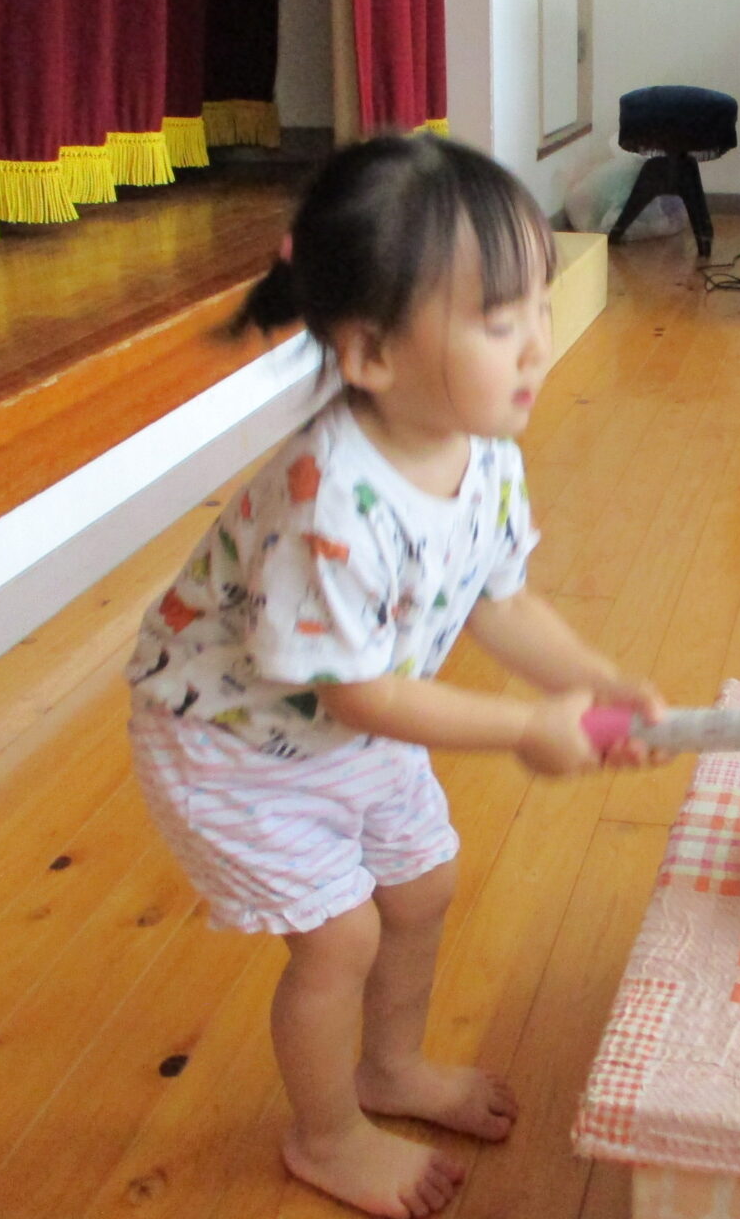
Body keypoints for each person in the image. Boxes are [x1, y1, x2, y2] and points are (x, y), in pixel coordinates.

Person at [125, 134, 667, 1218]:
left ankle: (391, 1070)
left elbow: (498, 600)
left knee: (422, 887)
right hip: (230, 742)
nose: (538, 343)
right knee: (342, 937)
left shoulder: (485, 446)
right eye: (499, 321)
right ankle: (327, 1136)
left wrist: (598, 678)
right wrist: (523, 730)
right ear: (371, 354)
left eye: (540, 305)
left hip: (348, 723)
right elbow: (358, 691)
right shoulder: (328, 502)